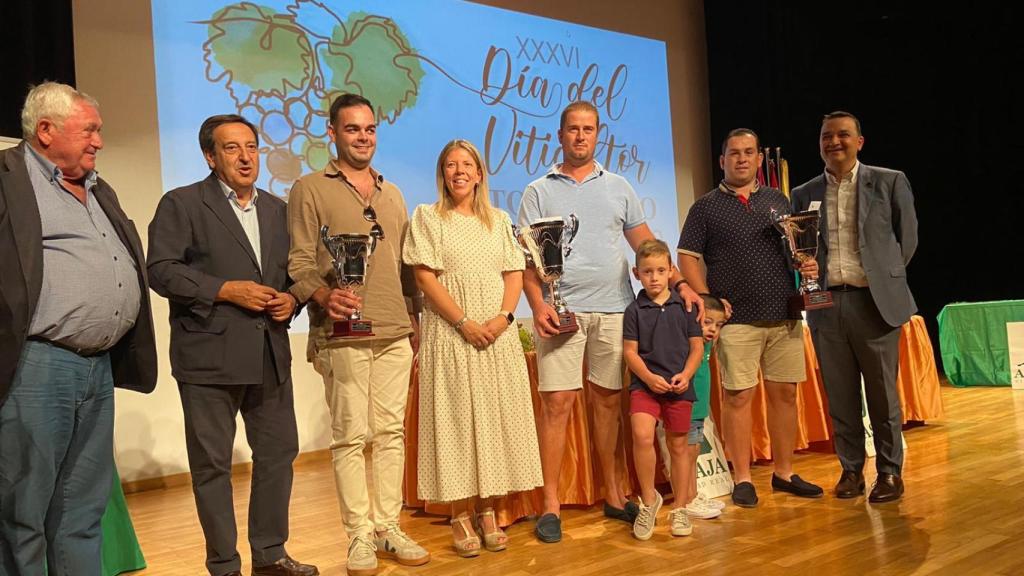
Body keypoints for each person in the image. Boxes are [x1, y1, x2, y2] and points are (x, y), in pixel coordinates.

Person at [518, 101, 702, 543]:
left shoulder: (619, 187)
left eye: (589, 130)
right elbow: (525, 261)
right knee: (557, 404)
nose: (581, 137)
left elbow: (648, 248)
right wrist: (537, 303)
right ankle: (550, 506)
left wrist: (681, 285)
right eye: (573, 130)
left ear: (598, 134)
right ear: (559, 135)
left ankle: (616, 497)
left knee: (607, 403)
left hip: (615, 309)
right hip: (561, 313)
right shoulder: (537, 190)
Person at [147, 115, 317, 576]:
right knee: (212, 467)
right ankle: (223, 565)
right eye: (231, 148)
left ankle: (270, 553)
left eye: (251, 147)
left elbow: (298, 273)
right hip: (208, 360)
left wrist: (293, 299)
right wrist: (225, 290)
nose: (245, 157)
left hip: (268, 357)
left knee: (280, 453)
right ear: (210, 156)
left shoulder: (278, 210)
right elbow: (160, 270)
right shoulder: (181, 204)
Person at [0, 82, 157, 575]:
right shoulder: (7, 179)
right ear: (45, 131)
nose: (99, 141)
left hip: (97, 368)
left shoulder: (96, 187)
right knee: (23, 510)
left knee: (83, 508)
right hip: (36, 364)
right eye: (89, 129)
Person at [287, 93, 428, 576]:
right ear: (332, 132)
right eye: (352, 129)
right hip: (342, 330)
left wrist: (416, 319)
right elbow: (300, 264)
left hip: (393, 327)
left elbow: (407, 268)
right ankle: (358, 536)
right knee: (350, 435)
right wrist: (326, 298)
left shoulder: (393, 193)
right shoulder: (309, 188)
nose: (363, 137)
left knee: (390, 432)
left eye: (369, 129)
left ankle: (389, 526)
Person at [403, 139, 543, 557]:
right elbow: (426, 279)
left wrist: (501, 320)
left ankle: (488, 510)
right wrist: (464, 323)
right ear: (442, 174)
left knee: (494, 421)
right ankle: (460, 514)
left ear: (480, 174)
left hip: (495, 336)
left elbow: (514, 273)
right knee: (456, 423)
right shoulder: (427, 217)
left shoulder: (498, 220)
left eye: (467, 164)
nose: (459, 171)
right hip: (451, 335)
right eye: (451, 165)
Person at [677, 128, 824, 508]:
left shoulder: (778, 201)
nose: (742, 159)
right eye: (734, 153)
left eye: (749, 152)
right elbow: (687, 257)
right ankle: (742, 477)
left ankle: (784, 473)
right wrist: (706, 299)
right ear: (721, 160)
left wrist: (805, 263)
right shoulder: (705, 207)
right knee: (738, 398)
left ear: (760, 159)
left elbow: (797, 250)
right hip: (736, 318)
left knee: (785, 395)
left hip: (784, 314)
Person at [791, 111, 918, 503]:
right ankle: (850, 470)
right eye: (827, 136)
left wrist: (884, 278)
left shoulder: (889, 180)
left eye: (843, 135)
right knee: (840, 395)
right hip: (826, 304)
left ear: (859, 142)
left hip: (874, 303)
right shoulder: (803, 193)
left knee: (882, 395)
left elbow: (906, 239)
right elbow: (799, 248)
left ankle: (889, 473)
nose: (834, 142)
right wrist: (804, 266)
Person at [623, 239, 704, 539]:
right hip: (645, 386)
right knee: (642, 435)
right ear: (636, 273)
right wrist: (647, 377)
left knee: (679, 446)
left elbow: (697, 347)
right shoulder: (634, 310)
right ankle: (648, 501)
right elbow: (630, 352)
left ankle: (680, 508)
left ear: (671, 270)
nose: (654, 277)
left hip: (678, 387)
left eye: (660, 270)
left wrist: (686, 374)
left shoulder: (685, 306)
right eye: (647, 272)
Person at [657, 294, 729, 521]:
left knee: (694, 451)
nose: (713, 329)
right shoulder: (686, 344)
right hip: (685, 404)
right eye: (707, 322)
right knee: (684, 453)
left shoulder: (707, 343)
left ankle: (693, 494)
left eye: (718, 325)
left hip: (699, 407)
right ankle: (684, 499)